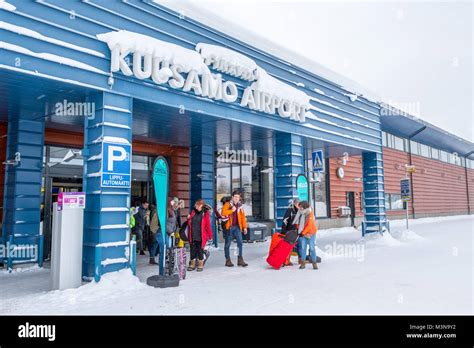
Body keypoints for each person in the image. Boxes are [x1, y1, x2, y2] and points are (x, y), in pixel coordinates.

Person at [221, 191, 248, 267]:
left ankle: (240, 259)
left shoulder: (240, 206)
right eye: (235, 197)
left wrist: (244, 227)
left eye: (238, 197)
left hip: (237, 227)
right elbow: (223, 213)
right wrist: (231, 210)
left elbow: (243, 217)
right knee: (227, 244)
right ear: (232, 197)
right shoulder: (228, 204)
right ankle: (228, 260)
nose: (236, 198)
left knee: (240, 243)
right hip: (229, 227)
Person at [186, 199, 213, 272]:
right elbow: (190, 223)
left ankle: (200, 265)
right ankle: (192, 265)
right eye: (196, 205)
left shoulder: (205, 213)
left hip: (201, 236)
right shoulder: (193, 212)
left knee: (200, 251)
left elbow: (208, 226)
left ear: (202, 205)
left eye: (198, 205)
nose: (197, 206)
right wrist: (188, 219)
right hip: (193, 234)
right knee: (192, 250)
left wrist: (210, 236)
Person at [293, 200, 318, 270]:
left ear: (305, 207)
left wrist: (302, 233)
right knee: (303, 248)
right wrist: (298, 229)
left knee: (312, 247)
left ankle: (314, 263)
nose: (299, 208)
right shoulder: (300, 213)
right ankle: (303, 263)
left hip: (311, 233)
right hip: (302, 233)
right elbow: (297, 223)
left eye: (301, 207)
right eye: (299, 207)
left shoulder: (310, 213)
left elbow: (309, 225)